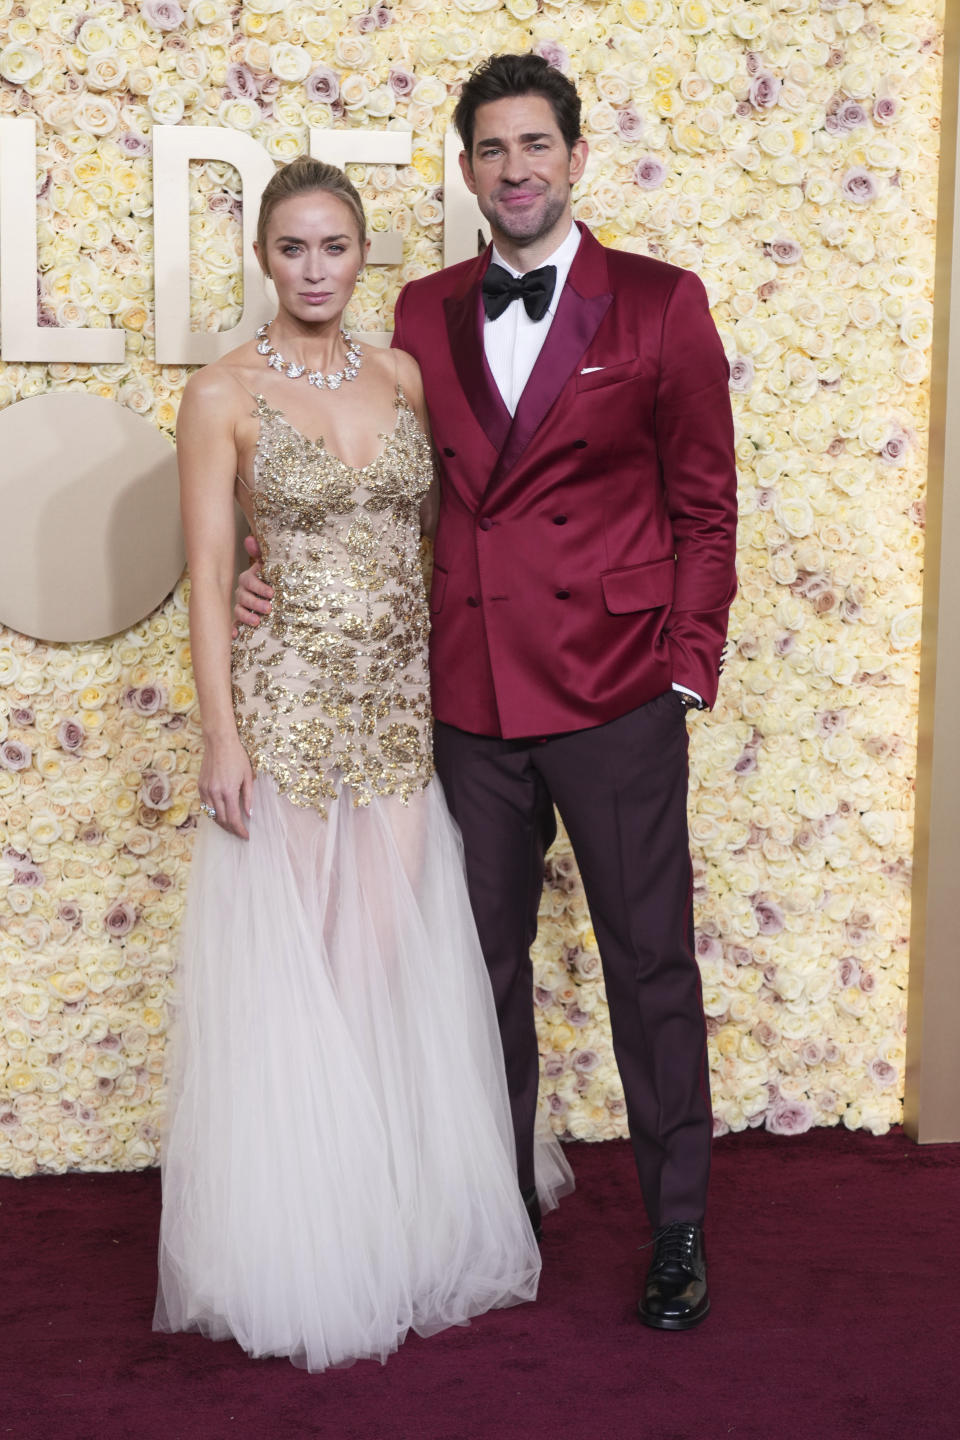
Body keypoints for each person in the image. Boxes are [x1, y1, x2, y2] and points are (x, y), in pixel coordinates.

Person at [235, 55, 738, 1331]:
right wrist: (263, 569)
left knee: (650, 965)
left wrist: (683, 668)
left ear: (575, 159)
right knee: (479, 967)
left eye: (536, 147)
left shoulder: (662, 306)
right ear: (468, 171)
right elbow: (371, 479)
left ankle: (677, 1223)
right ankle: (493, 1200)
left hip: (617, 691)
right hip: (465, 701)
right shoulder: (421, 312)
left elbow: (704, 505)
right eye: (492, 152)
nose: (516, 171)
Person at [154, 156, 568, 1373]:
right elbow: (213, 577)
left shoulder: (401, 376)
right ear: (263, 259)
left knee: (382, 966)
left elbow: (448, 537)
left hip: (398, 713)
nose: (317, 268)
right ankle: (299, 1243)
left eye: (336, 247)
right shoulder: (220, 395)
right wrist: (220, 733)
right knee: (307, 979)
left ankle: (380, 1218)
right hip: (283, 714)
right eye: (294, 248)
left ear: (361, 255)